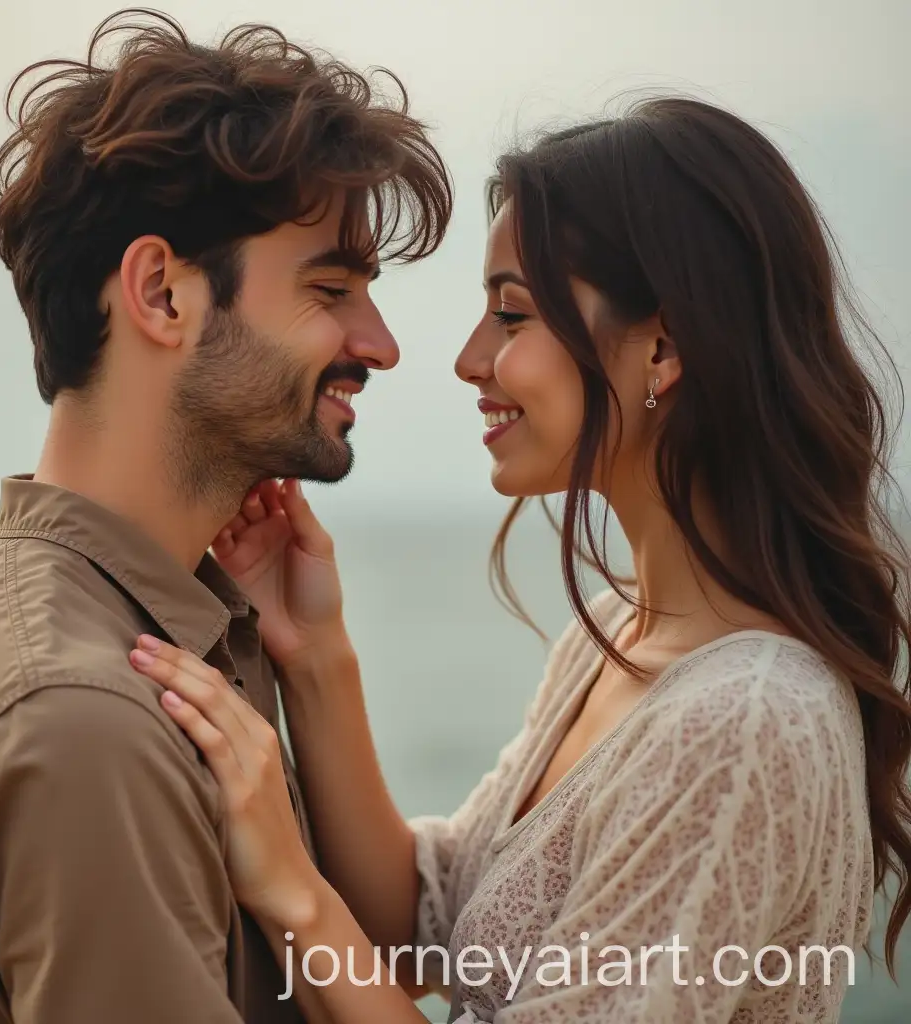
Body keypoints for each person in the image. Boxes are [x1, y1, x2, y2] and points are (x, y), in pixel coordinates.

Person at [129, 96, 911, 1023]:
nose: (467, 359)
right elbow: (416, 929)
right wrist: (314, 653)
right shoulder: (621, 636)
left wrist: (290, 890)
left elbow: (367, 937)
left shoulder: (741, 722)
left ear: (663, 346)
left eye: (512, 315)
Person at [0, 9, 450, 1024]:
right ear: (160, 293)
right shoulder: (84, 718)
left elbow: (384, 952)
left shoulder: (166, 626)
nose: (381, 344)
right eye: (332, 289)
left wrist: (313, 658)